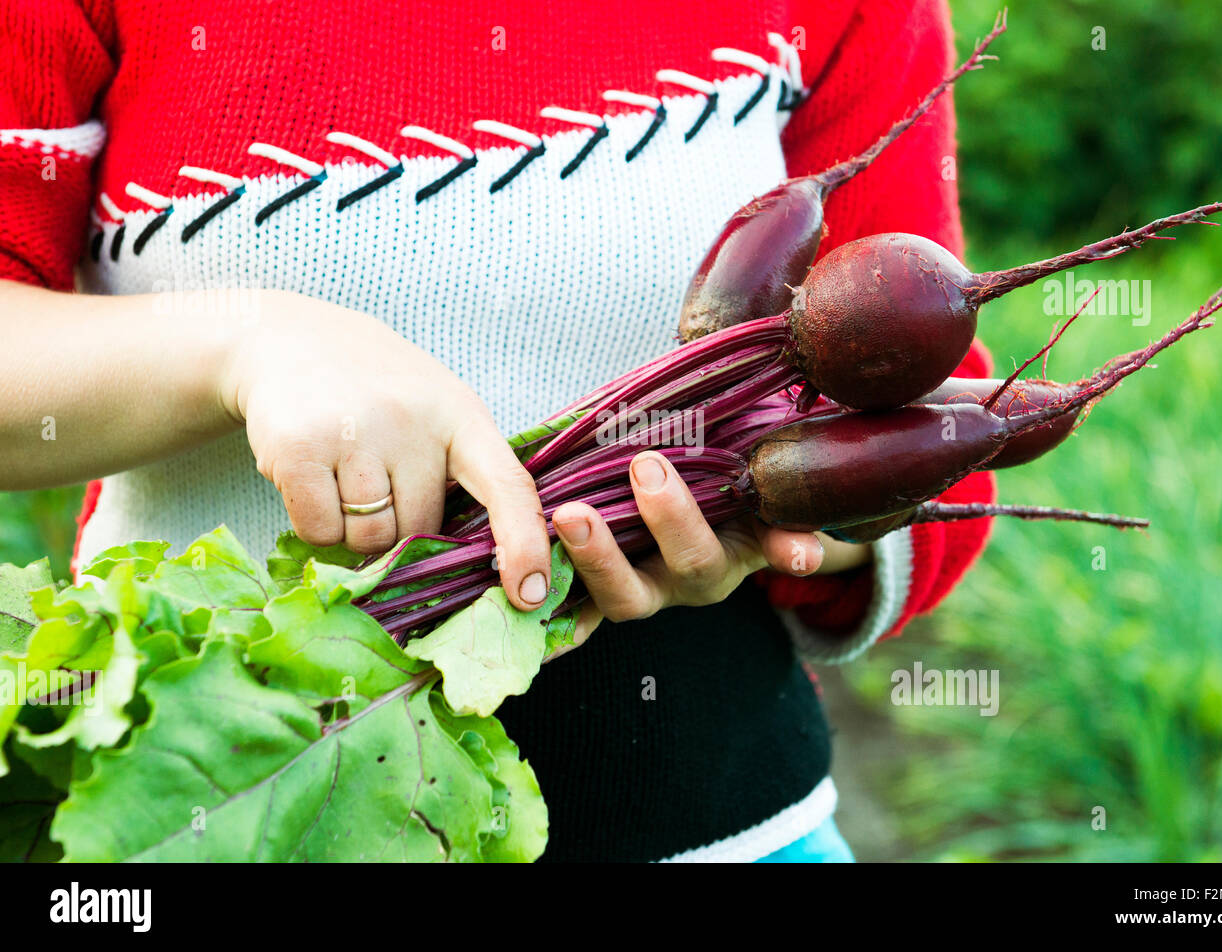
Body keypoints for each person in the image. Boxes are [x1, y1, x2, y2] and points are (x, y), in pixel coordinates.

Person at [0, 0, 994, 862]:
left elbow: (932, 424)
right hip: (190, 809)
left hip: (722, 822)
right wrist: (242, 346)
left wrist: (776, 518)